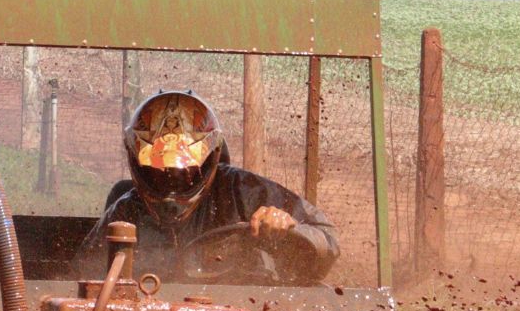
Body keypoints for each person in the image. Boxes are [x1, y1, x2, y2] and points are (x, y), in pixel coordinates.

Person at [77, 90, 339, 284]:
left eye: (184, 175)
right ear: (136, 164)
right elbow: (81, 275)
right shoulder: (126, 211)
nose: (171, 186)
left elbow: (327, 241)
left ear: (211, 159)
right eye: (158, 174)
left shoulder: (242, 191)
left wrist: (288, 229)